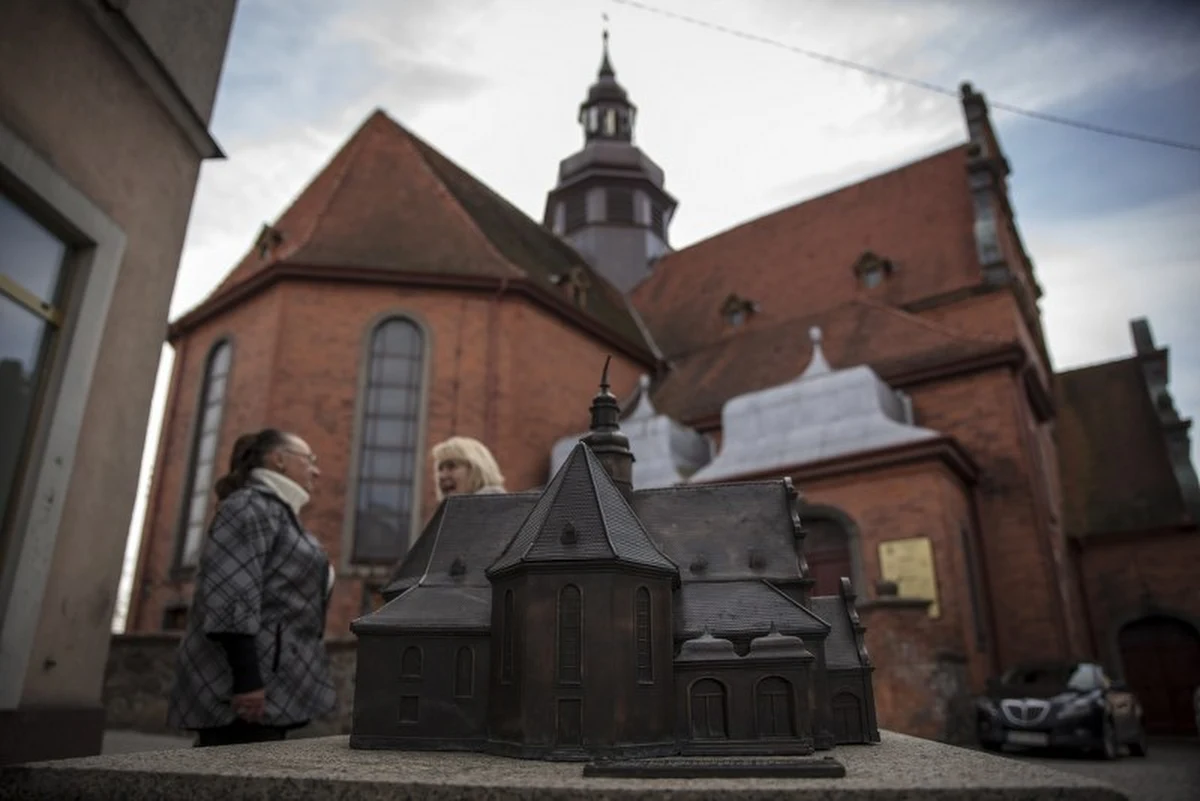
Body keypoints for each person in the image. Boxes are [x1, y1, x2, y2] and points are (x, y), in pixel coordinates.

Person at [167, 428, 336, 747]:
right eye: (309, 460)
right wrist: (247, 682)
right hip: (243, 696)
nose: (316, 470)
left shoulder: (278, 513)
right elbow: (231, 597)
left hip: (272, 687)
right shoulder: (248, 507)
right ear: (279, 460)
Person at [432, 436, 506, 499]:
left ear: (477, 470)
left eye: (451, 466)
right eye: (440, 469)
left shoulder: (497, 507)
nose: (442, 476)